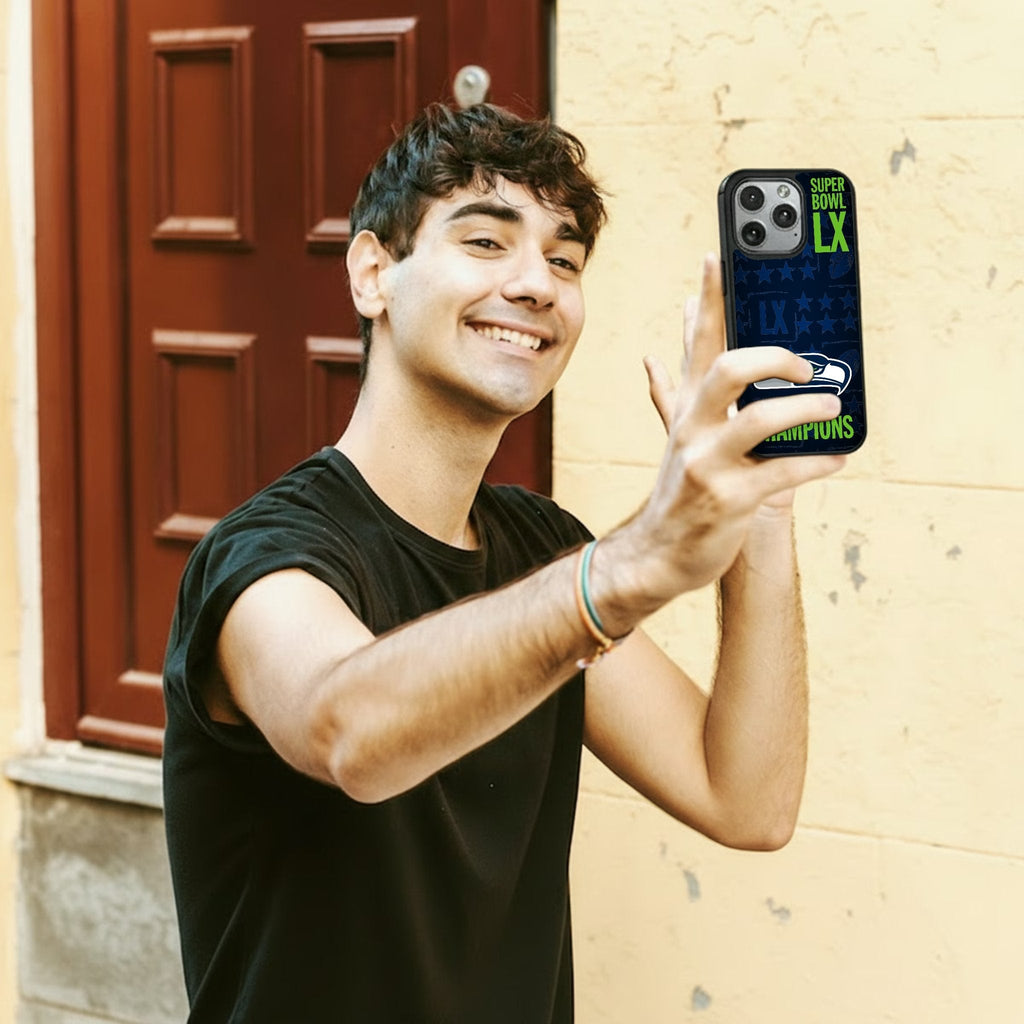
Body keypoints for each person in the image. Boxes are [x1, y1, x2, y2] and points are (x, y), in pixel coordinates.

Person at [162, 102, 846, 1023]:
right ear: (373, 273)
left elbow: (746, 800)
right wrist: (629, 567)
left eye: (565, 260)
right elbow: (346, 734)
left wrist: (761, 507)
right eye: (486, 242)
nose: (536, 286)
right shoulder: (266, 554)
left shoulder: (540, 549)